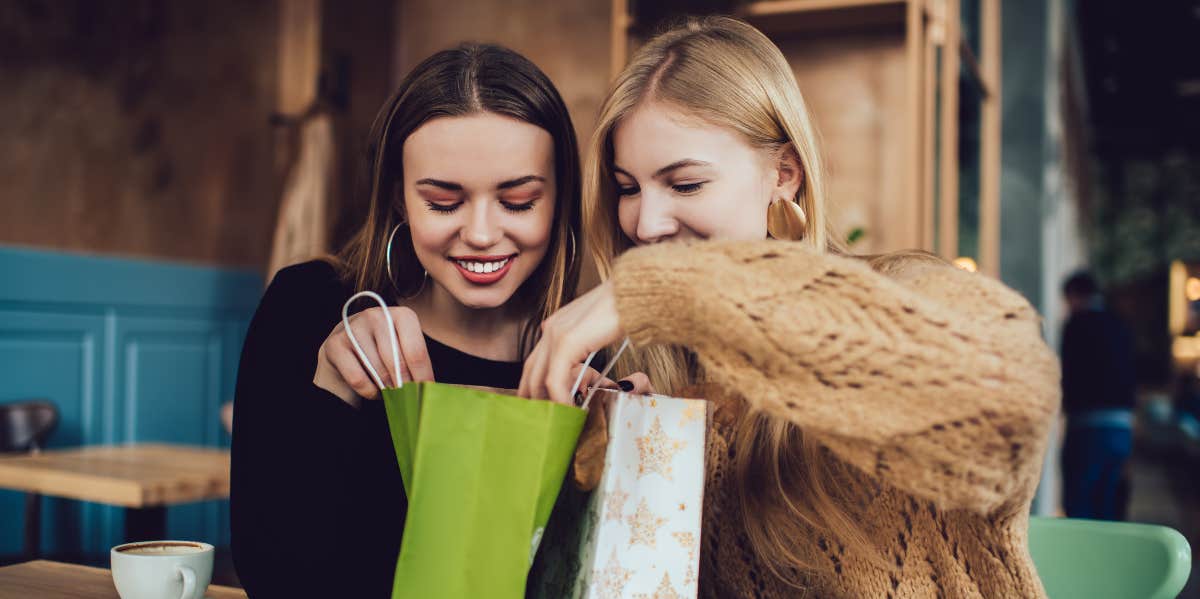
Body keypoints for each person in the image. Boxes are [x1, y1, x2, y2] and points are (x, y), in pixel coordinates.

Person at [519, 17, 1060, 598]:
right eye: (628, 188)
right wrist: (608, 464)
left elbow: (1011, 396)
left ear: (783, 175)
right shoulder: (660, 374)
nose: (645, 224)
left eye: (685, 185)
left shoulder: (904, 292)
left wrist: (676, 289)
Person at [231, 43, 597, 598]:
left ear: (558, 201)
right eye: (444, 202)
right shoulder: (305, 305)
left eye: (518, 201)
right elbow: (272, 573)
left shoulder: (585, 358)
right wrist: (333, 392)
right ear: (401, 198)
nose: (480, 233)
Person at [1059, 270, 1136, 521]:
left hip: (1087, 426)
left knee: (1079, 504)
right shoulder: (1120, 324)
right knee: (1109, 504)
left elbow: (1069, 372)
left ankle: (1078, 558)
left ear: (1074, 296)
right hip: (1121, 428)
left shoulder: (1077, 324)